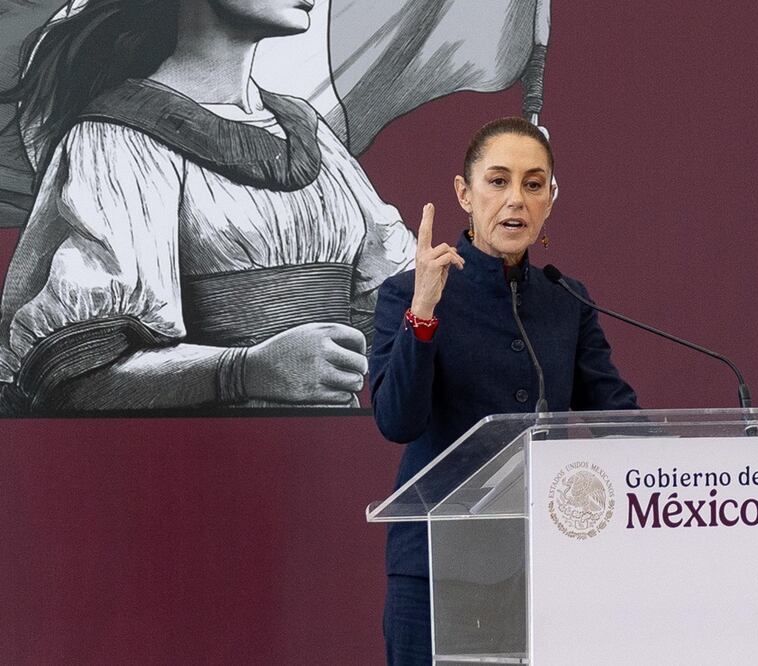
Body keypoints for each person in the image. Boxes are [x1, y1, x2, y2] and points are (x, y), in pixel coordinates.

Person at [0, 0, 416, 412]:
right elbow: (73, 378)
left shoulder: (309, 129)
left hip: (322, 450)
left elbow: (389, 304)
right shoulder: (118, 138)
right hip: (202, 452)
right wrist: (246, 370)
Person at [369, 116, 639, 665]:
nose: (516, 199)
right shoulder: (409, 294)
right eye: (498, 181)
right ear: (464, 194)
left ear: (550, 200)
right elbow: (398, 421)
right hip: (435, 570)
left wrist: (705, 464)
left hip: (544, 564)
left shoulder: (566, 300)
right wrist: (423, 311)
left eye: (533, 184)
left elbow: (616, 416)